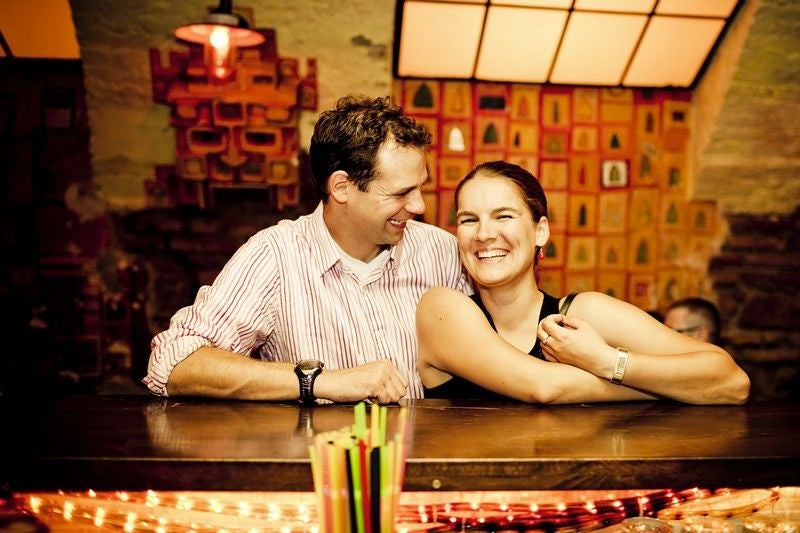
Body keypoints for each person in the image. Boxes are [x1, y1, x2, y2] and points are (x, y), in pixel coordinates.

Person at [144, 95, 471, 403]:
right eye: (400, 193)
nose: (418, 205)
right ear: (341, 187)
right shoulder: (275, 255)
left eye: (420, 187)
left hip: (422, 445)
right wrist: (318, 381)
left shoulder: (440, 250)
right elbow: (173, 363)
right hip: (319, 446)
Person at [416, 161, 750, 404]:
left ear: (540, 231)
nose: (484, 233)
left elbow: (731, 381)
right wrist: (665, 387)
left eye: (503, 216)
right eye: (468, 220)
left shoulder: (583, 313)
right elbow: (544, 387)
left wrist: (607, 360)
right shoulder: (442, 311)